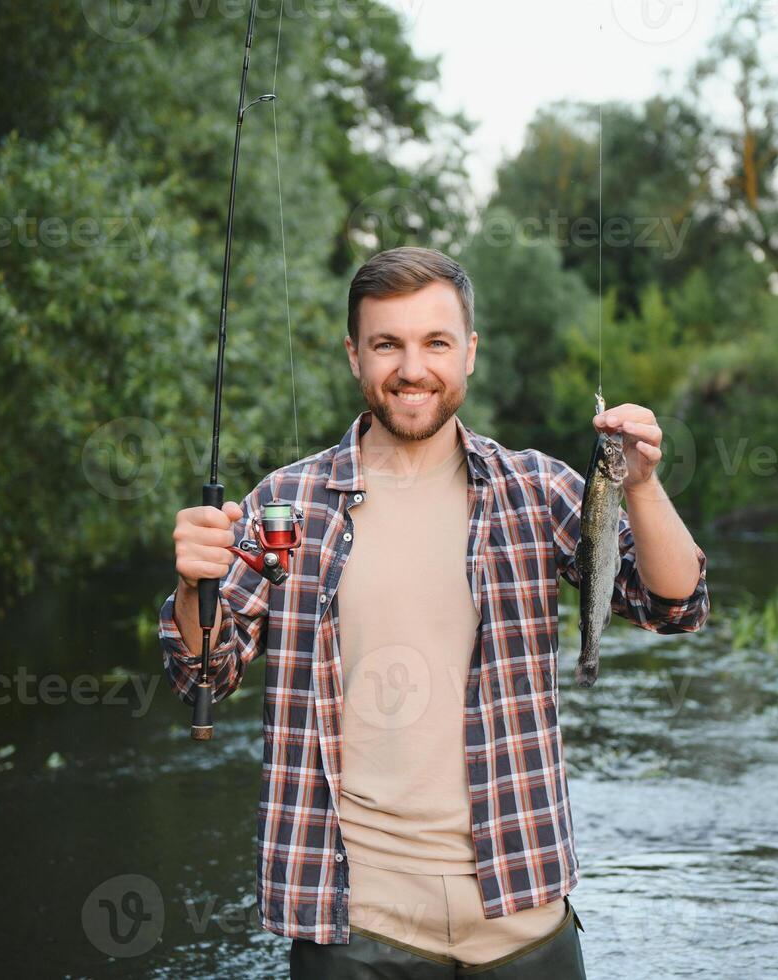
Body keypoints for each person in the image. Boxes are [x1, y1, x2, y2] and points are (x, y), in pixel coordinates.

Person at [161, 246, 710, 978]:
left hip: (524, 917)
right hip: (354, 924)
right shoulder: (283, 505)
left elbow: (674, 605)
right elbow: (206, 670)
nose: (411, 368)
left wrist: (639, 485)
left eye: (435, 343)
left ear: (469, 353)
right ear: (354, 355)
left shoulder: (537, 488)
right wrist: (192, 585)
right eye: (387, 344)